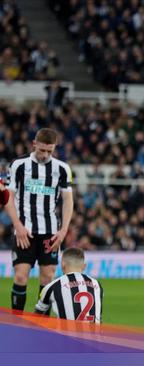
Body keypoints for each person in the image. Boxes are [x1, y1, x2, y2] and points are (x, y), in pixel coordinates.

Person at [5, 128, 73, 313]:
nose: (45, 155)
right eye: (42, 150)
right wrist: (18, 226)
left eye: (49, 151)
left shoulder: (62, 169)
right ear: (34, 144)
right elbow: (7, 197)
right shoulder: (18, 165)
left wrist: (63, 230)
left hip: (50, 232)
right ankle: (16, 323)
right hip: (24, 231)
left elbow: (68, 200)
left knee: (47, 278)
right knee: (20, 277)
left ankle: (40, 326)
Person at [34, 248, 103, 323]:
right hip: (94, 334)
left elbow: (37, 316)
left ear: (62, 265)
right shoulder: (96, 284)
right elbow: (98, 317)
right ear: (84, 266)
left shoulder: (51, 286)